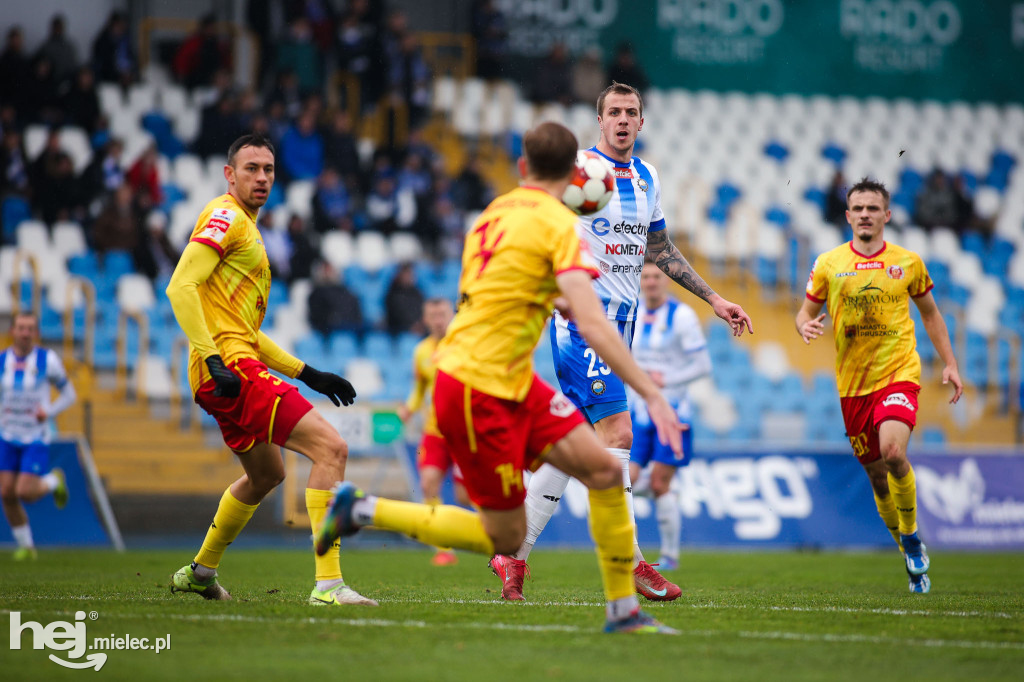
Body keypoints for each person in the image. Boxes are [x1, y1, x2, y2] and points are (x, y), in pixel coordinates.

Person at [316, 121, 683, 634]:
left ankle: (623, 613)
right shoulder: (558, 226)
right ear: (579, 176)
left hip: (508, 377)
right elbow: (593, 321)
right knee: (503, 534)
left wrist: (550, 298)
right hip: (477, 384)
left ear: (521, 168)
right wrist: (651, 394)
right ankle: (362, 508)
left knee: (601, 468)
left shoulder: (492, 214)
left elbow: (501, 289)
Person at [489, 82, 753, 602]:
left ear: (642, 120)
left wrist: (715, 299)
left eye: (632, 111)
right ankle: (628, 559)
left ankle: (511, 558)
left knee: (573, 451)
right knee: (618, 434)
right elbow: (536, 224)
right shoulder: (580, 171)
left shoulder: (649, 176)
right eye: (615, 112)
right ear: (600, 119)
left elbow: (660, 247)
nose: (624, 119)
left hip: (622, 329)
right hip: (580, 323)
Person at [165, 133, 375, 606]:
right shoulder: (226, 217)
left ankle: (200, 571)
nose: (261, 178)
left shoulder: (247, 228)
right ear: (229, 174)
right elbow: (181, 286)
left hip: (222, 370)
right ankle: (329, 586)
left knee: (265, 475)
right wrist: (213, 355)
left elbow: (241, 327)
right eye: (251, 168)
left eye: (268, 170)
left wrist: (307, 372)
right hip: (229, 369)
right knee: (331, 448)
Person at [796, 177, 963, 594]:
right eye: (859, 208)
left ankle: (910, 536)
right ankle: (909, 554)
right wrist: (806, 327)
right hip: (853, 385)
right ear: (848, 215)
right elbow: (804, 314)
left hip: (898, 373)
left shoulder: (907, 262)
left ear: (886, 215)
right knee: (875, 476)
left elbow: (930, 315)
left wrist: (951, 363)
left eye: (874, 208)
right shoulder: (829, 263)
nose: (866, 215)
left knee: (892, 452)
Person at [627, 260, 711, 571]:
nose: (650, 282)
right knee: (629, 480)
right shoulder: (631, 311)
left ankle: (670, 557)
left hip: (673, 414)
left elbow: (703, 366)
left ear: (666, 280)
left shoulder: (683, 316)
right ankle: (627, 553)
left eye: (656, 276)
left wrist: (667, 379)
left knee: (660, 483)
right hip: (637, 412)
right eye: (645, 276)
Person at [396, 297, 470, 566]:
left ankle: (488, 536)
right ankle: (443, 548)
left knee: (465, 496)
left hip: (464, 432)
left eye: (442, 314)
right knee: (428, 483)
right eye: (433, 315)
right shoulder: (421, 352)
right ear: (426, 319)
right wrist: (408, 408)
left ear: (451, 315)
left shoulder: (464, 346)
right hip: (434, 431)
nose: (439, 320)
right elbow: (419, 390)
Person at [0, 312, 75, 560]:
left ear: (36, 333)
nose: (25, 332)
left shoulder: (47, 360)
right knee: (6, 493)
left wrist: (49, 412)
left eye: (30, 328)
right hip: (8, 436)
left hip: (35, 436)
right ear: (12, 331)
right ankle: (27, 547)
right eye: (21, 327)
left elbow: (69, 394)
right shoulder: (2, 362)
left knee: (25, 493)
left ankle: (54, 480)